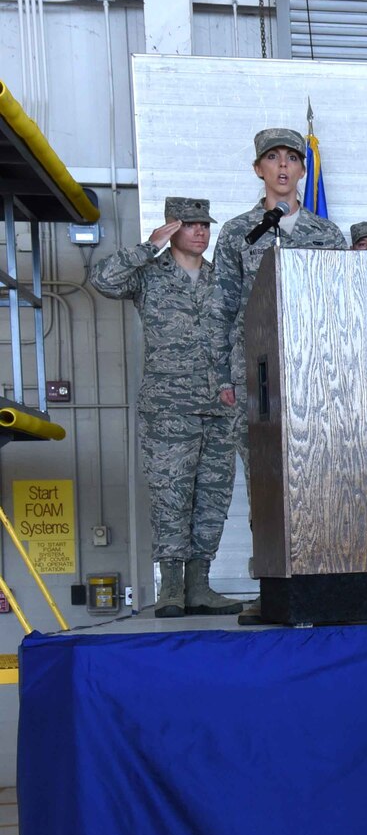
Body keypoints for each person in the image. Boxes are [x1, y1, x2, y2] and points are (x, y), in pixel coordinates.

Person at [211, 127, 348, 624]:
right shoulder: (237, 232)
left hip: (318, 378)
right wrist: (225, 378)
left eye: (293, 158)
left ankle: (325, 579)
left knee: (323, 477)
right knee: (266, 486)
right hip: (259, 380)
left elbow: (342, 307)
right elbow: (222, 310)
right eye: (274, 158)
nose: (284, 167)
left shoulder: (327, 235)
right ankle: (272, 587)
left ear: (301, 170)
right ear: (259, 170)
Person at [86, 197, 239, 617]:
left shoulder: (221, 279)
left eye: (205, 225)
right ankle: (171, 588)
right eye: (191, 225)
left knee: (212, 498)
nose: (201, 232)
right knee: (172, 496)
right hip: (168, 407)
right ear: (172, 228)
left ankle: (199, 587)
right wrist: (146, 246)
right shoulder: (151, 275)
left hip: (219, 408)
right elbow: (103, 280)